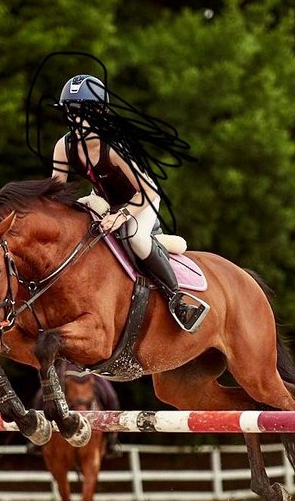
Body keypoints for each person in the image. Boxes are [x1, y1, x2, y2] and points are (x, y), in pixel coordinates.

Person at [50, 74, 208, 333]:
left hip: (139, 202)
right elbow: (56, 192)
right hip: (103, 201)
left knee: (135, 237)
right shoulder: (63, 146)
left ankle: (177, 299)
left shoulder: (114, 147)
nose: (74, 120)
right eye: (70, 112)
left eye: (81, 112)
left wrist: (121, 215)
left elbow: (148, 190)